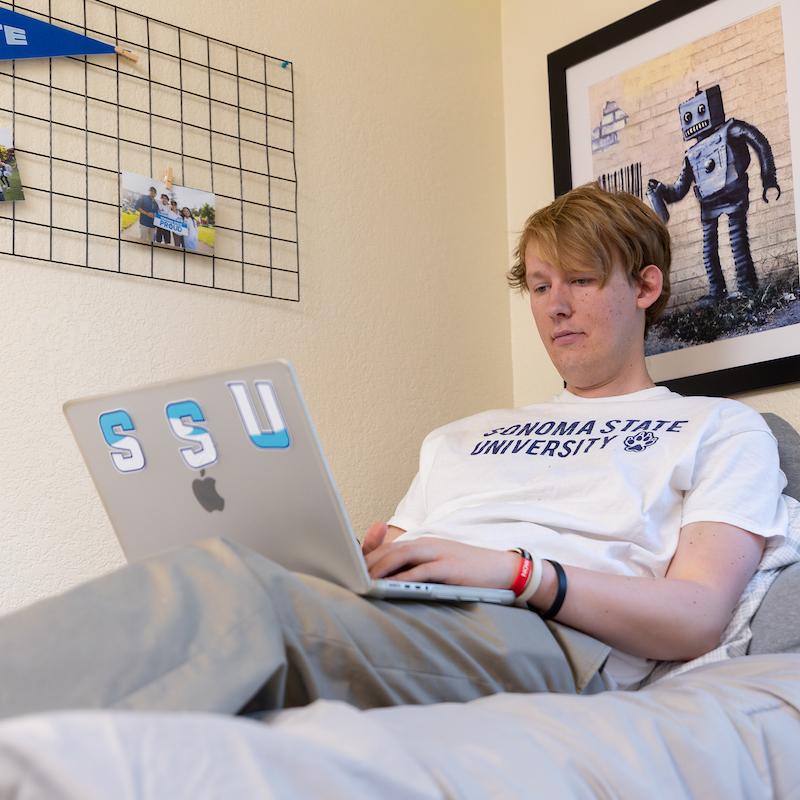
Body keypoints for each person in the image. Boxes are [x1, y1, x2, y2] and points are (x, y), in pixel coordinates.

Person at [0, 184, 787, 722]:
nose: (555, 305)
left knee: (230, 603)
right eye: (540, 284)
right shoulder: (462, 436)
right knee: (201, 578)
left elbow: (696, 616)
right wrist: (369, 559)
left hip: (547, 633)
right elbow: (405, 561)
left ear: (646, 287)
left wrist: (516, 572)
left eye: (580, 279)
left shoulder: (721, 429)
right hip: (421, 615)